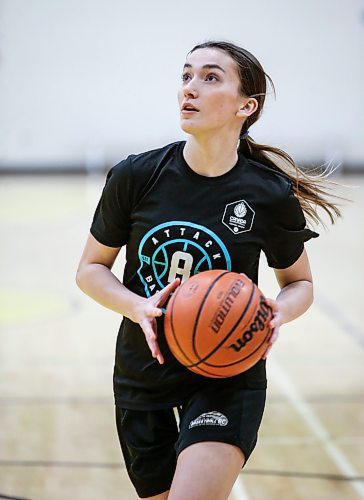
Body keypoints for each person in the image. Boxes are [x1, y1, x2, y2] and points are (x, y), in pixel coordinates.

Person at [76, 40, 341, 499]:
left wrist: (275, 312)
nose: (190, 89)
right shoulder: (136, 176)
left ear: (246, 106)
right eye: (186, 76)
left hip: (227, 374)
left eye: (210, 77)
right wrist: (139, 306)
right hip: (144, 374)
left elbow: (299, 282)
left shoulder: (267, 193)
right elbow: (90, 270)